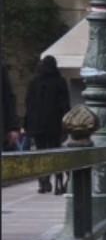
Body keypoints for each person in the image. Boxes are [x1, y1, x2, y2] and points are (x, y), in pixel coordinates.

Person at [23, 57, 70, 194]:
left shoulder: (33, 82)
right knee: (56, 152)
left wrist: (27, 124)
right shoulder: (60, 82)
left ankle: (43, 181)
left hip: (37, 124)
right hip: (55, 124)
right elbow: (64, 105)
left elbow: (28, 104)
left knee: (40, 152)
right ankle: (59, 182)